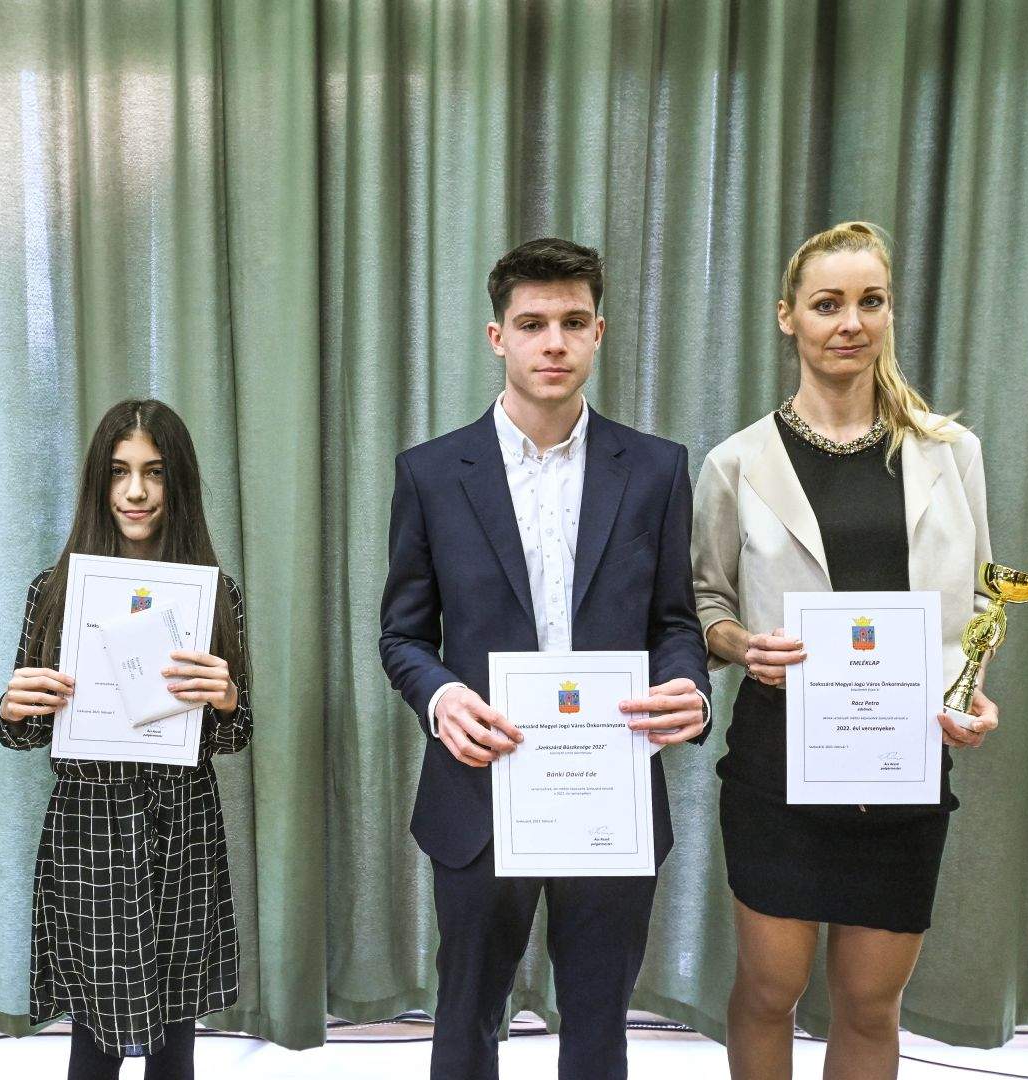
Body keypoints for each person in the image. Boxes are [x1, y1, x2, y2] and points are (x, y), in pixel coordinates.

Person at [378, 237, 712, 1080]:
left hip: (610, 790)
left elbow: (675, 622)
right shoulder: (430, 474)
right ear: (498, 337)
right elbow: (403, 636)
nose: (552, 342)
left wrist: (688, 688)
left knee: (598, 1027)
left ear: (599, 332)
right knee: (464, 1021)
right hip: (480, 786)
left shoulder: (656, 469)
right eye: (531, 324)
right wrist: (440, 698)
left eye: (571, 321)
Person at [691, 221, 996, 1079]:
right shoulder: (734, 463)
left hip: (903, 757)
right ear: (787, 317)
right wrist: (740, 645)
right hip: (777, 758)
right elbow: (705, 601)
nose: (850, 323)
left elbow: (980, 598)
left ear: (890, 312)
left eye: (871, 302)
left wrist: (967, 688)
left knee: (868, 1003)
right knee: (768, 990)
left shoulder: (949, 453)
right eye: (827, 304)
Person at [0, 399, 251, 1080]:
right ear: (97, 483)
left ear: (178, 482)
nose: (135, 491)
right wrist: (13, 708)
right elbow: (23, 734)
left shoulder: (215, 595)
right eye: (118, 471)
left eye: (154, 472)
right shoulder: (54, 591)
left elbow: (237, 733)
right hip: (90, 827)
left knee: (175, 1031)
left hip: (184, 824)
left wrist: (226, 698)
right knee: (95, 1035)